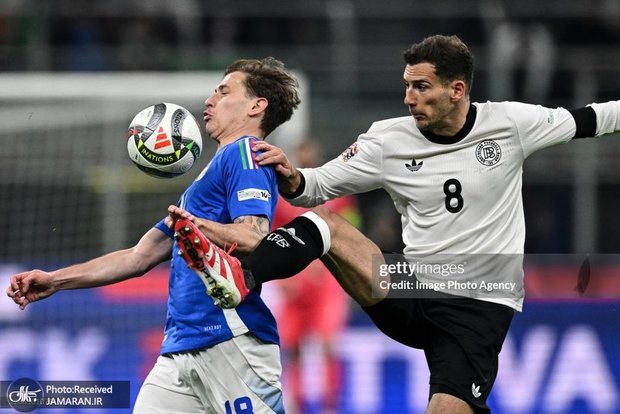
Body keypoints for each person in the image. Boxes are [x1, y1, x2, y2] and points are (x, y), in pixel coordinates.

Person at [171, 34, 620, 414]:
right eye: (406, 86)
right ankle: (242, 275)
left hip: (477, 303)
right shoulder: (388, 138)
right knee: (324, 223)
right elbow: (318, 186)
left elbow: (595, 118)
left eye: (421, 87)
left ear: (457, 90)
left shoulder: (511, 124)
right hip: (409, 284)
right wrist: (293, 176)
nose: (409, 98)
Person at [6, 57, 301, 414]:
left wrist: (197, 226)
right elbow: (138, 257)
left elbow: (254, 238)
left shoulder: (246, 153)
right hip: (179, 352)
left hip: (231, 342)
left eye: (224, 92)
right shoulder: (205, 181)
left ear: (256, 106)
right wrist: (56, 280)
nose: (210, 100)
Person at [271, 138, 360, 414]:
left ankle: (330, 406)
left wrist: (338, 267)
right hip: (294, 282)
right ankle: (297, 404)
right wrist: (281, 278)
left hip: (327, 282)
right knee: (293, 347)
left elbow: (352, 232)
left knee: (328, 343)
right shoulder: (282, 199)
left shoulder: (339, 194)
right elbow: (271, 237)